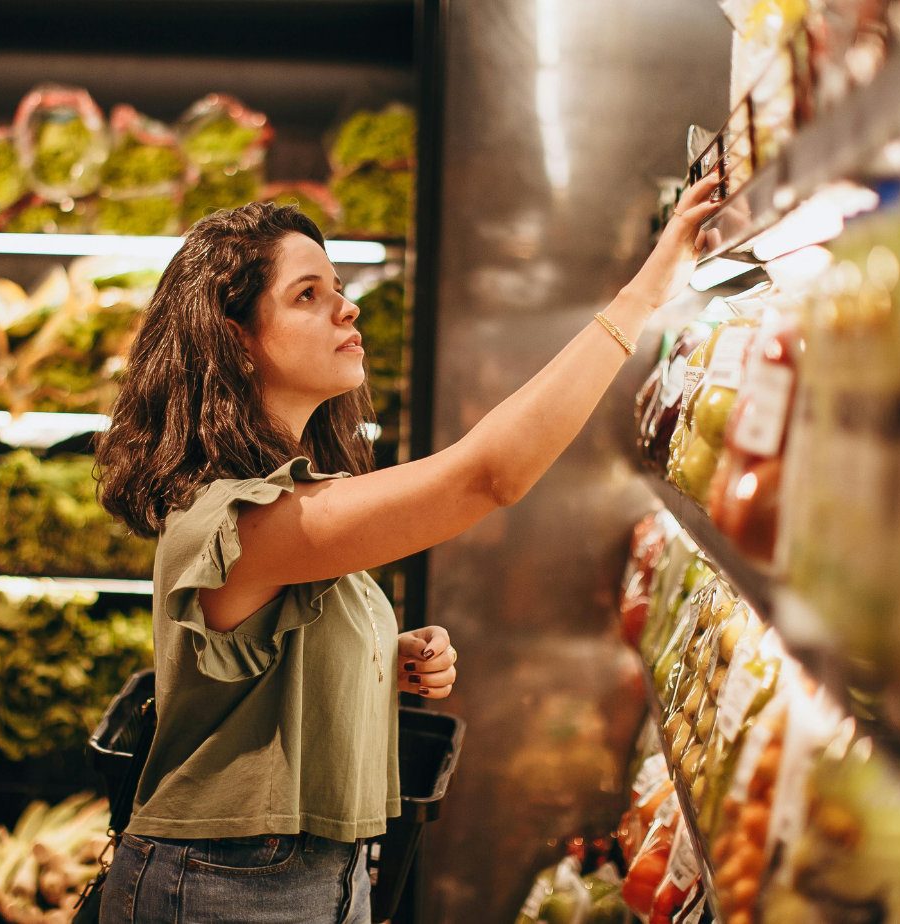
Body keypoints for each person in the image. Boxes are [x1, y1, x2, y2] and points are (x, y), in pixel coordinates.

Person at [92, 173, 723, 924]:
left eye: (338, 286)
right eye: (307, 295)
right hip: (224, 885)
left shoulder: (290, 499)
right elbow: (487, 477)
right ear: (235, 336)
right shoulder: (234, 518)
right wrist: (644, 293)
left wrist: (382, 664)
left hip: (310, 876)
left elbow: (263, 676)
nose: (346, 305)